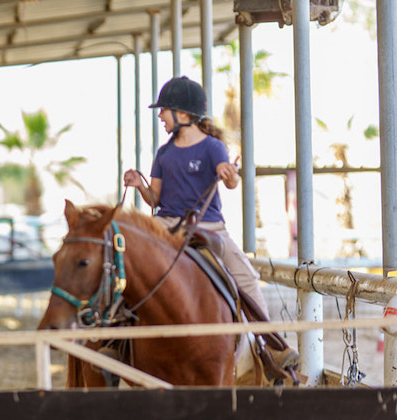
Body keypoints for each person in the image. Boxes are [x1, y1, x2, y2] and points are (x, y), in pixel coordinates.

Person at [123, 76, 299, 371]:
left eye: (164, 110)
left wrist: (230, 175)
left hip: (209, 228)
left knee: (246, 277)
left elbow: (228, 179)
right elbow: (155, 199)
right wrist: (139, 185)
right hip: (166, 226)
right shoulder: (163, 153)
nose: (159, 116)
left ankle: (271, 346)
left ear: (182, 114)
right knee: (130, 268)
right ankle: (116, 342)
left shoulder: (213, 148)